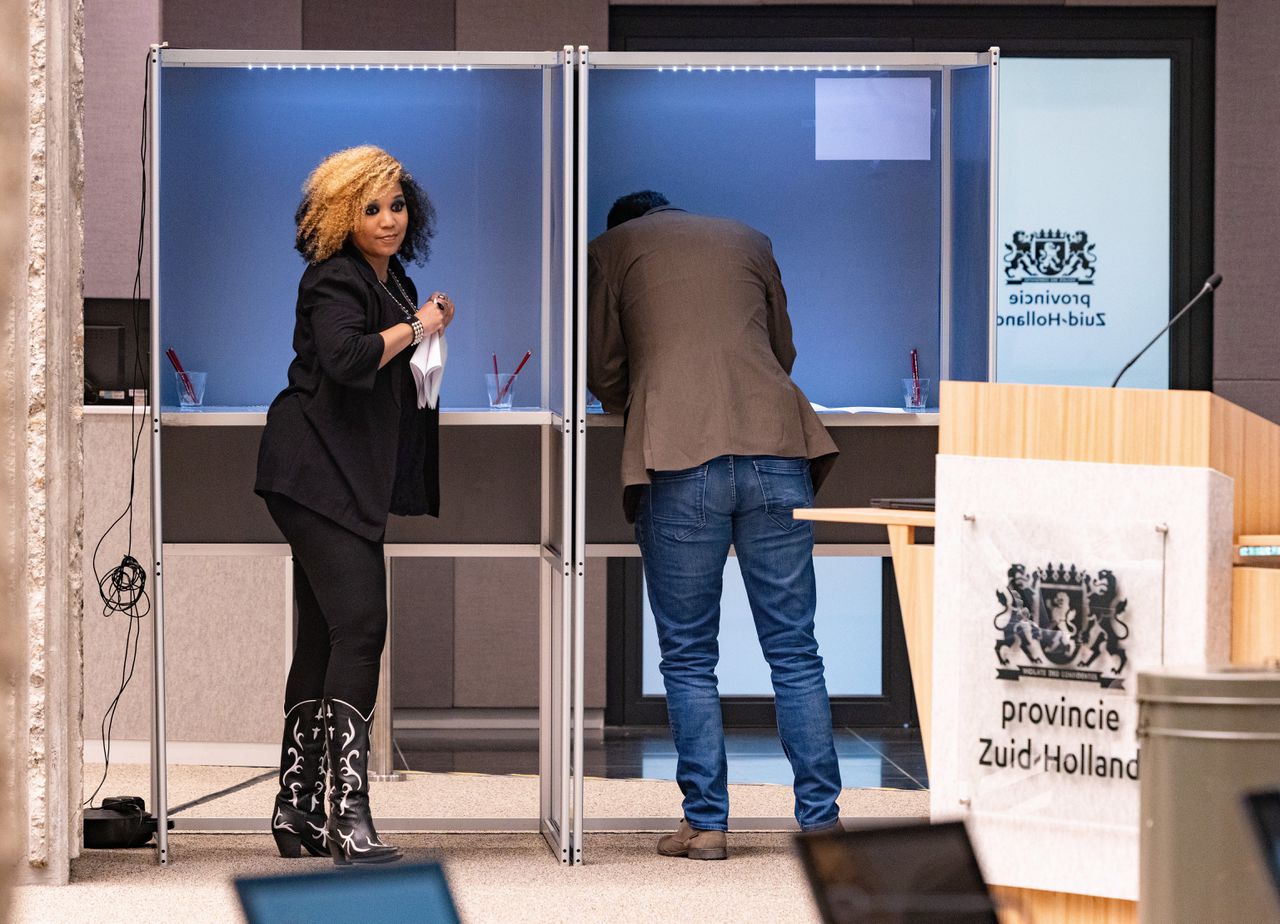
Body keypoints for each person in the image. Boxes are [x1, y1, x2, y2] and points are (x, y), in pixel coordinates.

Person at [587, 191, 843, 860]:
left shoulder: (610, 249)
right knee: (794, 649)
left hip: (679, 457)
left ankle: (707, 826)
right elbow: (782, 350)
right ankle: (820, 822)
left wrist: (648, 398)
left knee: (689, 654)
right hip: (777, 451)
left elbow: (604, 367)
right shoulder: (750, 237)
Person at [255, 145, 456, 866]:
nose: (388, 219)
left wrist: (418, 321)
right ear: (342, 215)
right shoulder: (333, 278)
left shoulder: (393, 280)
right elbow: (344, 358)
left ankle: (300, 811)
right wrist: (421, 327)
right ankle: (347, 813)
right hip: (314, 473)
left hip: (335, 474)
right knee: (363, 625)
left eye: (397, 204)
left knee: (325, 637)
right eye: (371, 208)